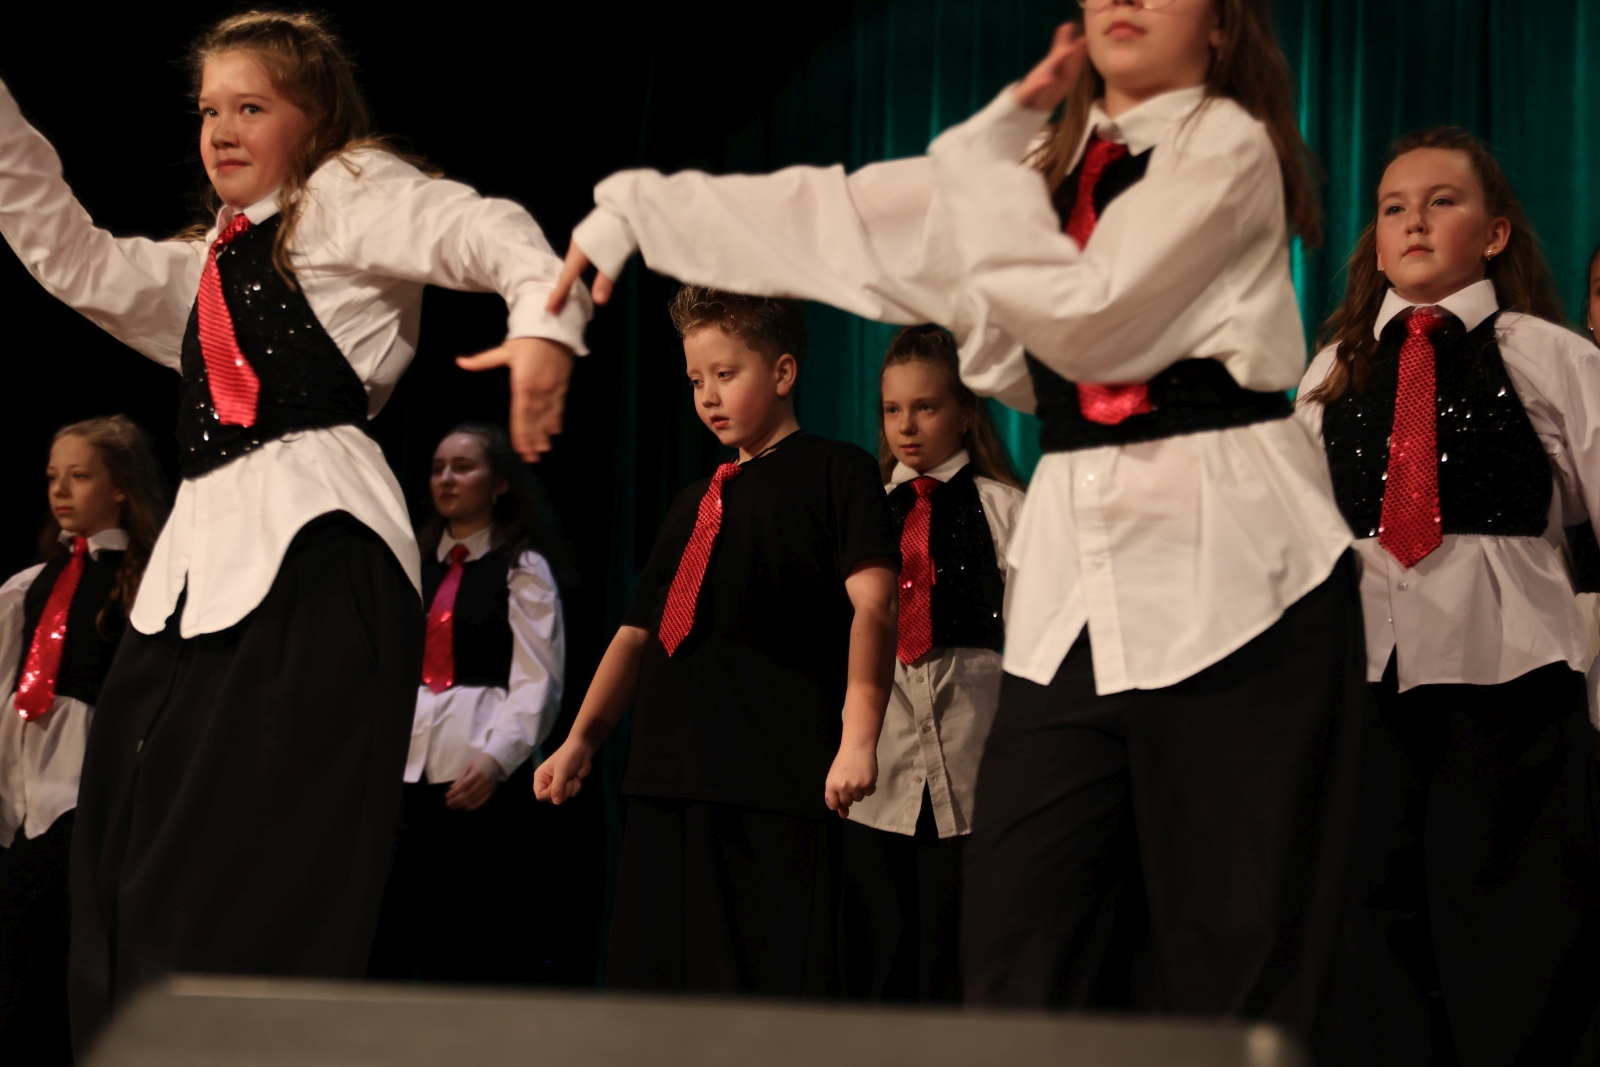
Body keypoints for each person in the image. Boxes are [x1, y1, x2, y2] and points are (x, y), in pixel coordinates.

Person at [544, 1, 1414, 1057]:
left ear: (1223, 26)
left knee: (1232, 941)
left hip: (1237, 579)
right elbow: (849, 217)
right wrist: (633, 211)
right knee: (1018, 936)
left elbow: (1092, 312)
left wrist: (977, 163)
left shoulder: (1227, 147)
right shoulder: (1037, 172)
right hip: (1077, 587)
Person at [0, 11, 588, 1046]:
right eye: (208, 112)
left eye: (251, 108)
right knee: (127, 843)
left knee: (255, 852)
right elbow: (71, 253)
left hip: (314, 551)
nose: (221, 131)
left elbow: (480, 228)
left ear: (313, 123)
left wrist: (543, 324)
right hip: (195, 581)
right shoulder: (206, 264)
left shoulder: (348, 195)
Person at [1297, 127, 1600, 1067]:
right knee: (1369, 917)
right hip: (1368, 682)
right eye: (1394, 207)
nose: (1415, 221)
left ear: (1496, 233)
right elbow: (1296, 537)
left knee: (1510, 925)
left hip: (1509, 677)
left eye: (1442, 201)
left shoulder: (1548, 354)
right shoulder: (1333, 369)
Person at [536, 287, 897, 995]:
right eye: (696, 380)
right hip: (664, 772)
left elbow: (876, 606)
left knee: (756, 978)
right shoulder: (692, 499)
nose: (708, 395)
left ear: (784, 372)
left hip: (769, 774)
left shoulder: (836, 469)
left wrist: (859, 739)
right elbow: (637, 633)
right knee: (655, 978)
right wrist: (581, 739)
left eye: (726, 373)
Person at [838, 324, 1024, 1003]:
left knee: (959, 956)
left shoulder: (1005, 508)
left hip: (974, 767)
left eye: (926, 407)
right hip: (879, 769)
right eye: (893, 409)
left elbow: (1033, 642)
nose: (907, 426)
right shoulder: (861, 512)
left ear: (966, 412)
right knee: (881, 957)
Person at [368, 422, 574, 983]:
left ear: (499, 482)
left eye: (463, 467)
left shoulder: (520, 567)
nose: (447, 479)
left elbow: (538, 679)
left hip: (477, 770)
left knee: (469, 935)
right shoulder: (412, 566)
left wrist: (495, 758)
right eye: (438, 468)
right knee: (392, 929)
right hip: (404, 771)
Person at [0, 417, 167, 1066]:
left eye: (79, 475)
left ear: (121, 486)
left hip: (90, 788)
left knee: (71, 957)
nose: (60, 491)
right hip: (25, 787)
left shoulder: (145, 582)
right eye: (52, 477)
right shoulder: (28, 586)